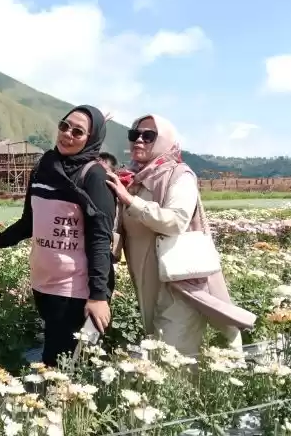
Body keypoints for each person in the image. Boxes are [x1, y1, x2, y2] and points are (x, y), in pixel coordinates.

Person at [0, 106, 117, 367]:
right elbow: (29, 222)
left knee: (64, 364)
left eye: (78, 132)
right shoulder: (44, 167)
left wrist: (98, 296)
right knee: (56, 358)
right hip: (44, 285)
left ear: (92, 138)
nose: (67, 134)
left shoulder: (94, 176)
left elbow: (100, 239)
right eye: (64, 126)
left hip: (76, 290)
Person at [105, 114, 255, 355]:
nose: (139, 140)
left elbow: (176, 221)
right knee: (157, 346)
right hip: (146, 281)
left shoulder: (179, 175)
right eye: (134, 135)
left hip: (178, 284)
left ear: (165, 140)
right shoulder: (132, 178)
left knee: (174, 355)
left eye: (148, 136)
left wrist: (130, 201)